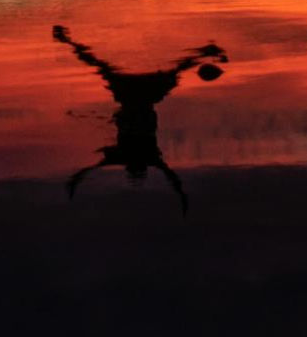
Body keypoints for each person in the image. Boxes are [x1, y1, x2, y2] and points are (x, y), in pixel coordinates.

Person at [53, 24, 228, 213]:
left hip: (136, 96)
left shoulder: (140, 158)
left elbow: (89, 170)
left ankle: (66, 41)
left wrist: (76, 181)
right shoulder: (142, 157)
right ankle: (66, 41)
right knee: (102, 65)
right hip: (139, 96)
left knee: (102, 65)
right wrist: (181, 195)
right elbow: (170, 177)